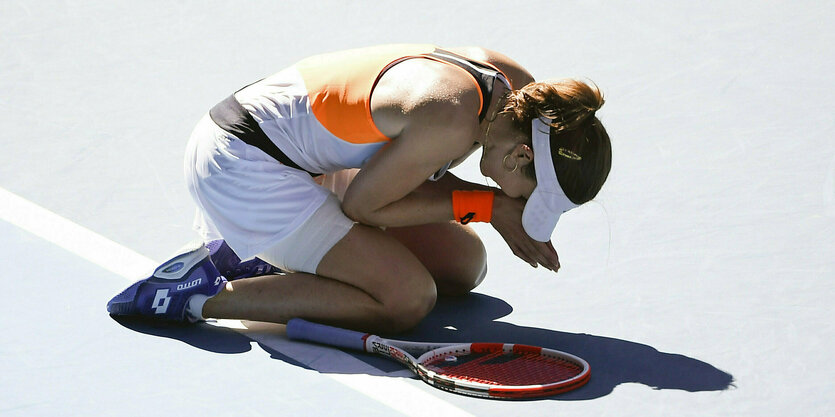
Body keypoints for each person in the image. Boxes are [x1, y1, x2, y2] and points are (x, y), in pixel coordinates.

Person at [107, 44, 611, 333]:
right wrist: (488, 205)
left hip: (307, 159)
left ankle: (275, 257)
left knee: (463, 266)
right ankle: (199, 293)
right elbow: (366, 206)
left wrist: (492, 207)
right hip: (243, 166)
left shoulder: (513, 89)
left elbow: (396, 177)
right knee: (406, 300)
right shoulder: (449, 118)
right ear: (521, 154)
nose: (522, 204)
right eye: (529, 194)